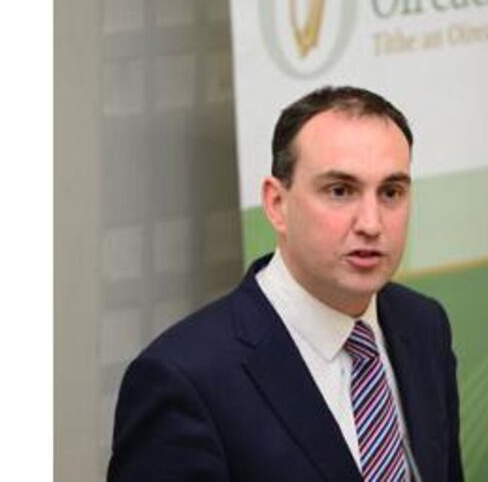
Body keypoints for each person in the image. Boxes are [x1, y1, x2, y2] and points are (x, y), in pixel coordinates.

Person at [108, 86, 464, 481]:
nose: (371, 223)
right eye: (340, 191)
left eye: (391, 192)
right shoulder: (185, 379)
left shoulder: (424, 325)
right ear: (277, 204)